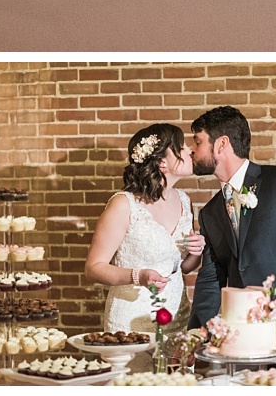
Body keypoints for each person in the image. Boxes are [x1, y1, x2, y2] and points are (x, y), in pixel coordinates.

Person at [189, 103, 276, 365]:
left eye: (197, 142)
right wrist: (197, 334)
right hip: (245, 340)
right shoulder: (210, 213)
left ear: (221, 144)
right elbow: (210, 278)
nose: (191, 150)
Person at [84, 124, 205, 336]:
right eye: (182, 146)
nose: (190, 151)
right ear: (162, 162)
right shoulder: (124, 205)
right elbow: (93, 267)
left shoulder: (185, 201)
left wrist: (196, 252)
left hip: (177, 316)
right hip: (131, 322)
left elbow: (185, 267)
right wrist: (138, 276)